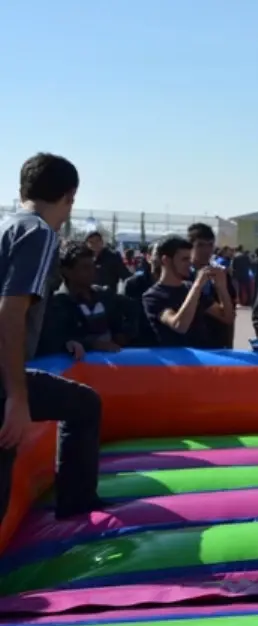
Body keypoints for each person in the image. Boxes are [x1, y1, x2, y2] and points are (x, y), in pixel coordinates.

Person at [0, 152, 102, 524]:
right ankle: (75, 507)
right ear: (70, 197)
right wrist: (16, 397)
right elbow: (10, 313)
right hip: (3, 378)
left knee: (83, 404)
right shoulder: (40, 234)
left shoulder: (9, 225)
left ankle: (76, 504)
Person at [37, 241, 133, 357]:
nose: (92, 271)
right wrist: (91, 345)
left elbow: (130, 312)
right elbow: (56, 341)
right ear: (66, 271)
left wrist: (122, 335)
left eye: (93, 266)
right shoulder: (57, 305)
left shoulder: (104, 295)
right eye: (85, 268)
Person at [142, 236, 235, 348]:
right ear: (166, 260)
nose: (189, 264)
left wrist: (221, 287)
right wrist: (197, 286)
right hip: (177, 361)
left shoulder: (189, 288)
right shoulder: (153, 296)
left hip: (200, 358)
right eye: (184, 259)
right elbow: (179, 326)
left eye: (190, 259)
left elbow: (227, 317)